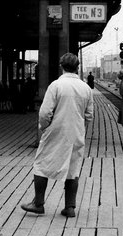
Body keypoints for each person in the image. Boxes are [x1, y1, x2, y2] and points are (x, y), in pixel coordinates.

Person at [20, 53, 94, 218]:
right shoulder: (86, 88)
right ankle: (70, 208)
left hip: (56, 131)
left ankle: (38, 204)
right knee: (73, 168)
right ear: (78, 67)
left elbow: (45, 112)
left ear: (62, 67)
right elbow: (89, 116)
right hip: (76, 133)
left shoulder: (56, 85)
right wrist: (79, 128)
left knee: (41, 164)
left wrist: (44, 127)